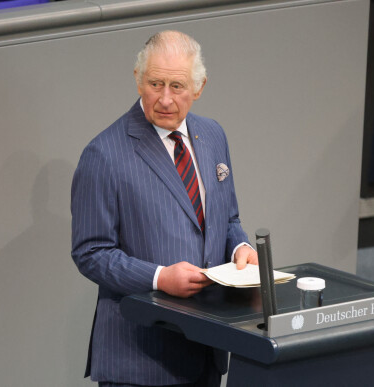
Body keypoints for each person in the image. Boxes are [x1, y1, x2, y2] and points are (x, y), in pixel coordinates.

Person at [71, 30, 258, 387]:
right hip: (140, 360)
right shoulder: (104, 155)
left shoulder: (213, 135)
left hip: (208, 348)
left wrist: (240, 248)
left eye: (178, 86)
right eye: (156, 84)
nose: (166, 99)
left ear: (199, 87)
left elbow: (227, 217)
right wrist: (159, 278)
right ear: (138, 80)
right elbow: (90, 252)